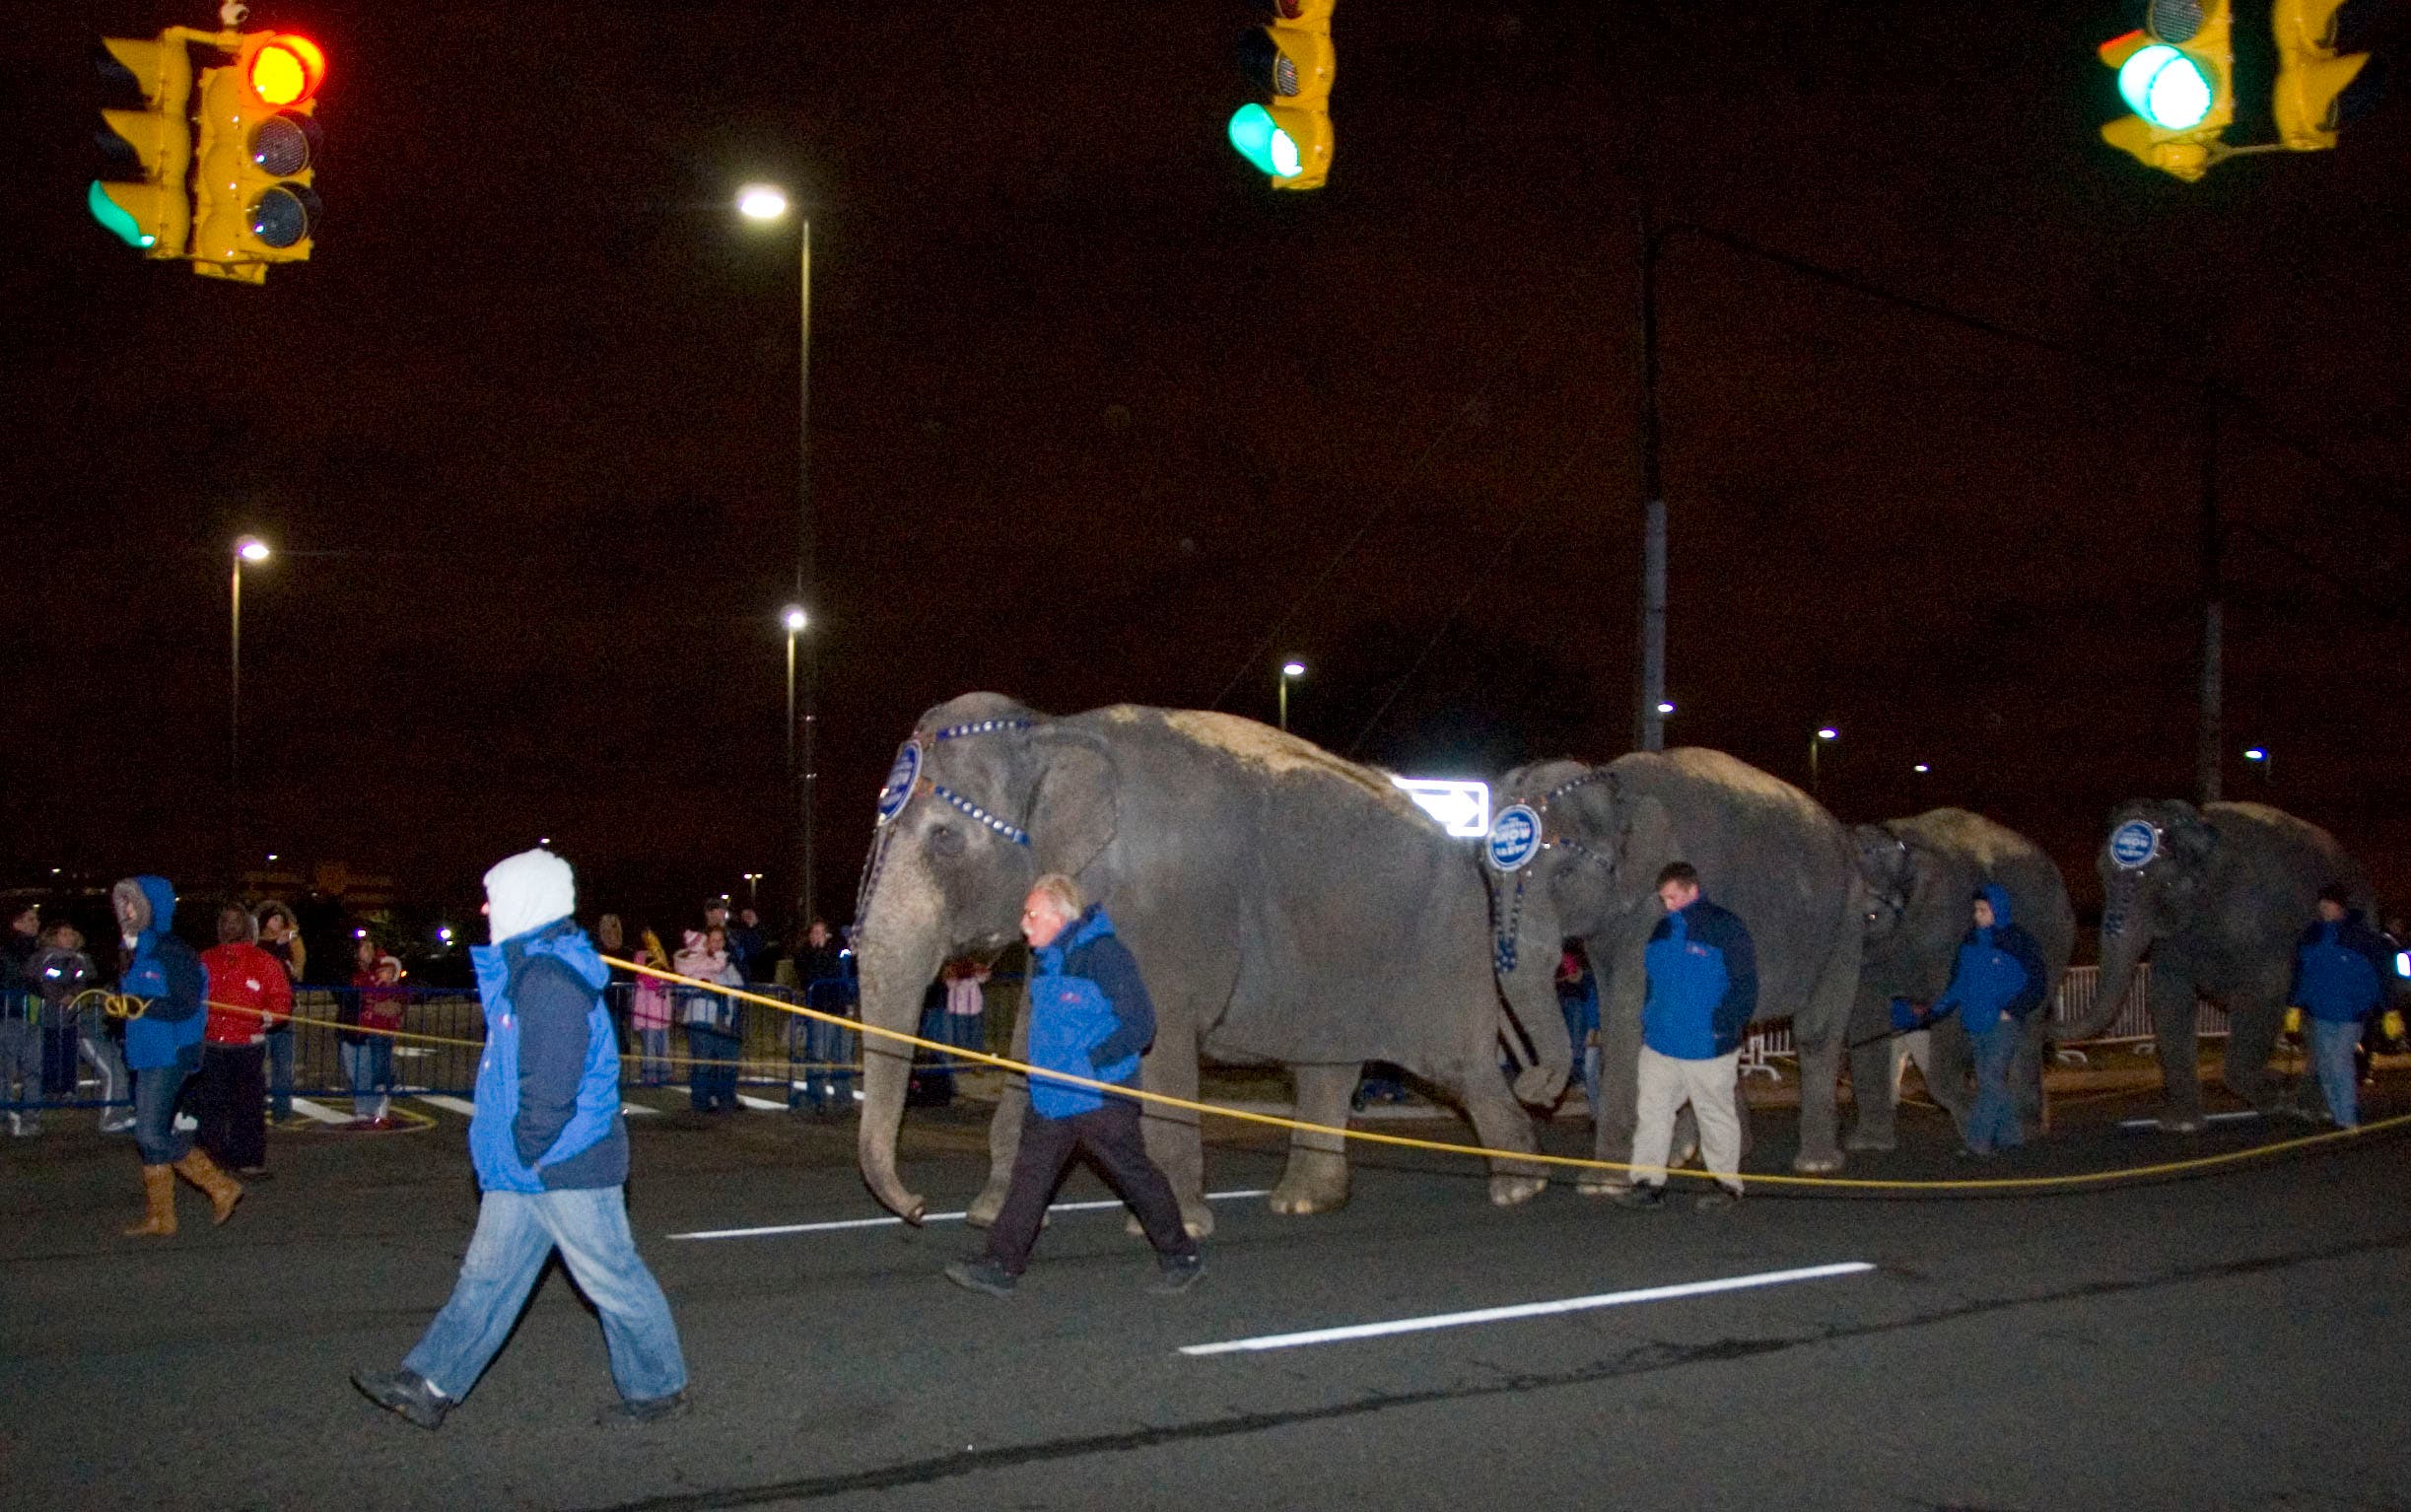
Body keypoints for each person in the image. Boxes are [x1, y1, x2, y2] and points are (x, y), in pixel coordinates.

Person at [352, 848, 687, 1429]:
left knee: (613, 1279)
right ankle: (429, 1384)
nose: (486, 909)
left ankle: (659, 1389)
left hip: (563, 1161)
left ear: (527, 902)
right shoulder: (530, 970)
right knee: (487, 1279)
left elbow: (551, 1084)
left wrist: (527, 1147)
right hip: (528, 1160)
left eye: (496, 898)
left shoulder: (548, 979)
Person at [944, 874, 1203, 1297]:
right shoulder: (1048, 961)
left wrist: (1091, 1064)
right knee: (1028, 1180)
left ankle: (1182, 1257)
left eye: (1032, 914)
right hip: (1051, 1099)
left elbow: (1141, 1024)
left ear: (1059, 917)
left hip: (1101, 1099)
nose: (1024, 924)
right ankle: (1000, 1265)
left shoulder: (1104, 954)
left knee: (1136, 1176)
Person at [1619, 862, 1756, 1211]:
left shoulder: (1726, 927)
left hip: (1707, 1044)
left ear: (1692, 889)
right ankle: (1647, 1181)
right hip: (1661, 1042)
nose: (1668, 905)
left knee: (1714, 1114)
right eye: (1664, 898)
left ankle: (1726, 1184)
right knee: (1652, 1112)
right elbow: (1653, 982)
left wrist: (1723, 1024)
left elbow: (1745, 985)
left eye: (1673, 897)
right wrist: (1650, 1018)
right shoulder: (1662, 929)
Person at [113, 875, 243, 1236]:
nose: (126, 909)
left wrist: (138, 1005)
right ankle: (162, 1217)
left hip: (170, 1050)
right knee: (151, 1134)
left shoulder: (172, 951)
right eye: (123, 902)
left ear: (151, 906)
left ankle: (221, 1186)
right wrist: (120, 1007)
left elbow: (185, 1004)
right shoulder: (135, 949)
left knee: (149, 1134)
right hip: (145, 1051)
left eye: (133, 901)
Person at [1933, 884, 2048, 1158]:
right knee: (1991, 1082)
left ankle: (1977, 1142)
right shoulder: (1970, 941)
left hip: (2003, 1023)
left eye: (1983, 910)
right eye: (1976, 910)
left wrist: (2013, 1009)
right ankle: (2011, 1137)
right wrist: (1935, 1010)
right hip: (1975, 1021)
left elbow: (2037, 983)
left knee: (1991, 1080)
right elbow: (1959, 983)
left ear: (1997, 910)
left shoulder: (2018, 941)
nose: (1977, 915)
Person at [2287, 882, 2393, 1131]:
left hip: (2350, 1014)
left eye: (2329, 903)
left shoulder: (2360, 937)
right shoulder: (2312, 936)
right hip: (2321, 1012)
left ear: (2340, 906)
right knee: (2325, 1065)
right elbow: (2302, 974)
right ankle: (2337, 1114)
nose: (2324, 907)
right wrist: (2294, 1005)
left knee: (2339, 1062)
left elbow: (2379, 973)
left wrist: (2389, 1008)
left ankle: (2347, 1117)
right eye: (2322, 903)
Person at [197, 904, 291, 1177]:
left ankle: (248, 1159)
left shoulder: (264, 961)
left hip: (247, 1047)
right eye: (225, 921)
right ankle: (213, 1161)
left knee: (248, 1107)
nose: (230, 926)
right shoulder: (205, 960)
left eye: (235, 921)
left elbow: (281, 1000)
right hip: (211, 1045)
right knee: (211, 1107)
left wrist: (266, 1017)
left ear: (247, 926)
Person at [31, 922, 130, 1133]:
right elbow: (46, 982)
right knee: (51, 1050)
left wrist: (74, 995)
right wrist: (60, 996)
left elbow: (82, 981)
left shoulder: (80, 959)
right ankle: (50, 1090)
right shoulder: (46, 957)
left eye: (71, 933)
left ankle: (69, 1089)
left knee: (69, 1050)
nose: (68, 937)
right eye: (63, 934)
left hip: (73, 1015)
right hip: (52, 1014)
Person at [673, 926, 743, 1113]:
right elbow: (683, 983)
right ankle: (701, 1100)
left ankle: (725, 1097)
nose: (717, 944)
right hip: (700, 1015)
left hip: (722, 1017)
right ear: (706, 942)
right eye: (713, 940)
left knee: (725, 1060)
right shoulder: (693, 962)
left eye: (720, 940)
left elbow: (738, 985)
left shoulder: (727, 963)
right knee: (703, 1060)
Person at [343, 938, 402, 1127]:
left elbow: (397, 997)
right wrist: (375, 1005)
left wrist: (393, 1006)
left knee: (374, 1067)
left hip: (372, 1030)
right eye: (365, 948)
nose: (369, 951)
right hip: (353, 1028)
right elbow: (354, 999)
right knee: (357, 1070)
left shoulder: (378, 975)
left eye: (371, 947)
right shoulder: (353, 974)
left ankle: (371, 1109)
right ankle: (366, 1108)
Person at [256, 901, 306, 1124]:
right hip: (262, 1016)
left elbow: (296, 968)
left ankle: (282, 1110)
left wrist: (290, 944)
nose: (278, 924)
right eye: (274, 919)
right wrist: (277, 945)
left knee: (284, 1066)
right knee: (258, 1065)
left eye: (281, 920)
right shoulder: (258, 944)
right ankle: (255, 1106)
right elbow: (262, 966)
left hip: (284, 1015)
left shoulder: (288, 945)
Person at [2, 903, 43, 1135]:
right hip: (13, 1011)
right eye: (30, 919)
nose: (36, 923)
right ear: (16, 924)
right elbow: (20, 976)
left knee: (32, 1066)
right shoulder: (11, 950)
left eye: (36, 919)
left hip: (31, 1010)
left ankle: (29, 1114)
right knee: (8, 1067)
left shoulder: (37, 949)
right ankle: (10, 1114)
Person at [1556, 944, 1602, 1128]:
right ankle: (1595, 1115)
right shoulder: (1581, 985)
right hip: (1594, 1031)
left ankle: (1598, 1114)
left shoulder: (1591, 984)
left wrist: (1594, 1028)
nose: (1570, 980)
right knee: (1591, 1072)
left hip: (1598, 1031)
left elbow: (1595, 1007)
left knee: (1592, 1071)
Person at [629, 928, 674, 1086]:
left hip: (662, 1012)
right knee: (649, 1046)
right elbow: (641, 975)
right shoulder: (640, 956)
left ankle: (665, 1073)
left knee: (664, 1045)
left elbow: (669, 975)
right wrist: (657, 983)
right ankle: (649, 1074)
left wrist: (666, 980)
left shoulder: (661, 955)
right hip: (648, 1013)